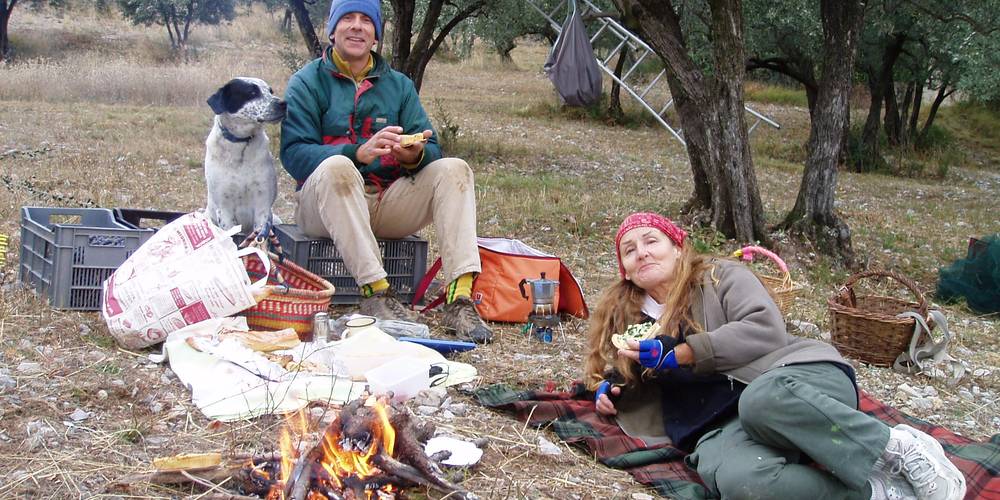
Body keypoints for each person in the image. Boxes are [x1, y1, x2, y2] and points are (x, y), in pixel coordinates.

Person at [584, 212, 966, 500]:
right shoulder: (627, 321)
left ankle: (897, 448)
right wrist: (610, 391)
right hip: (716, 426)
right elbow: (613, 375)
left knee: (760, 401)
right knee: (744, 483)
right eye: (629, 251)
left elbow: (765, 329)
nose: (641, 253)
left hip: (792, 381)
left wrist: (682, 353)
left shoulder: (719, 276)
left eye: (651, 241)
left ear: (677, 246)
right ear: (626, 271)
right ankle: (877, 491)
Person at [279, 0, 491, 343]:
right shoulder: (307, 83)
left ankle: (459, 299)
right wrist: (356, 153)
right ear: (332, 30)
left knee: (455, 170)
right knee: (338, 166)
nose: (357, 26)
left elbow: (431, 146)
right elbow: (293, 154)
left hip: (386, 202)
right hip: (324, 206)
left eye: (366, 20)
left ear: (376, 35)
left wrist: (415, 155)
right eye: (347, 18)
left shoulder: (399, 86)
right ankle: (377, 293)